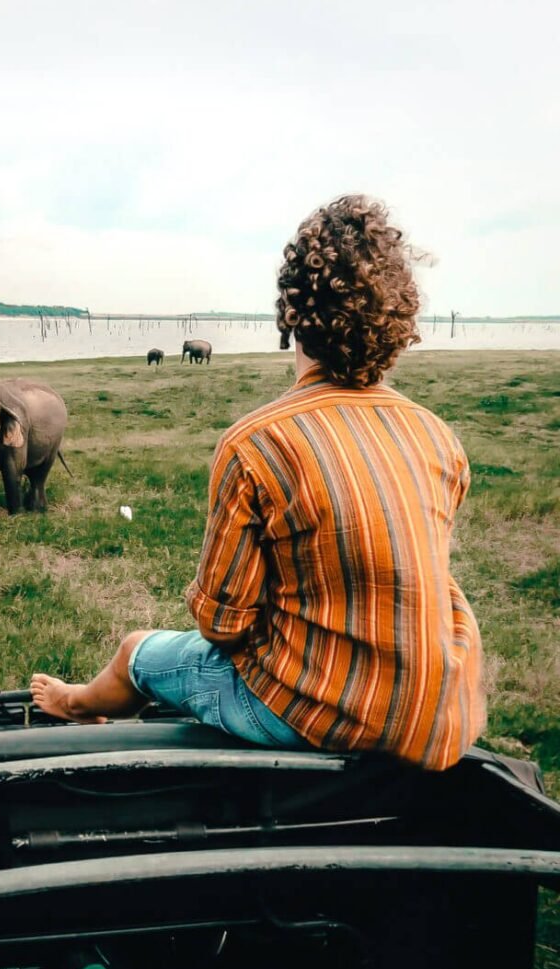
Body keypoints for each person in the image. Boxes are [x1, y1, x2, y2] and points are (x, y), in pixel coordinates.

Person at [31, 194, 485, 771]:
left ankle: (76, 704)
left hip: (313, 716)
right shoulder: (437, 435)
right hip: (440, 716)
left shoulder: (257, 443)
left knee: (135, 652)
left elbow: (221, 625)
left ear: (292, 315)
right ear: (398, 321)